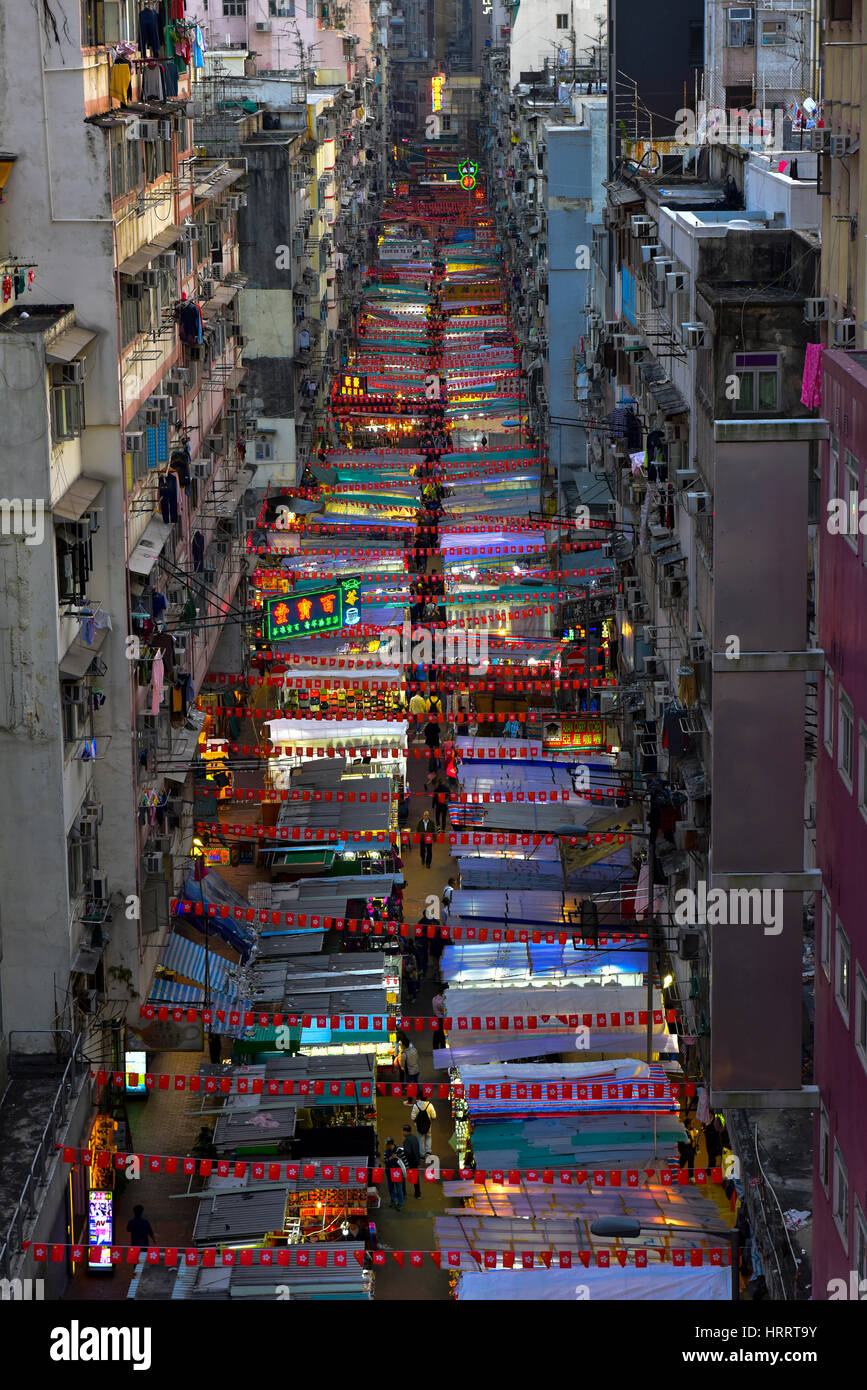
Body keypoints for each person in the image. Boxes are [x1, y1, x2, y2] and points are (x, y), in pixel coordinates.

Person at [384, 1138, 406, 1210]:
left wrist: (397, 1157)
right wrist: (390, 1158)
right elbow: (385, 1161)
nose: (386, 1146)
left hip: (397, 1171)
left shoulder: (400, 1150)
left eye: (387, 1144)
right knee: (391, 1187)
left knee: (399, 1188)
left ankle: (400, 1204)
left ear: (390, 1144)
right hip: (389, 1171)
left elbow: (404, 1161)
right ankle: (393, 1200)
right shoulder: (386, 1151)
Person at [401, 1125, 422, 1197]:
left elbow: (407, 1152)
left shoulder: (406, 1140)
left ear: (406, 1131)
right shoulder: (415, 1138)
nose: (402, 1133)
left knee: (402, 1176)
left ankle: (403, 1193)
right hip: (415, 1161)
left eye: (403, 1131)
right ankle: (418, 1194)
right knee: (415, 1178)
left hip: (409, 1162)